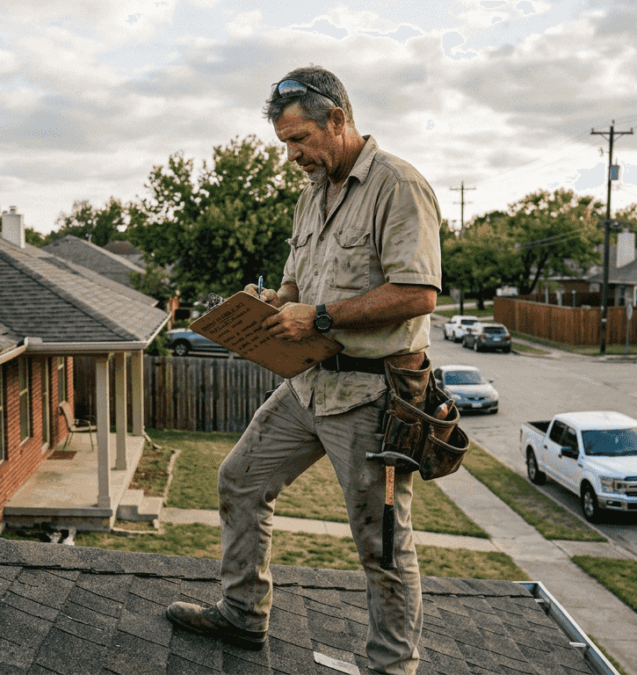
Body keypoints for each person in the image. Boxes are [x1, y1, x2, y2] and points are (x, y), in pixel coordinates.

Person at [165, 66, 442, 675]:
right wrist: (271, 300)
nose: (292, 156)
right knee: (240, 479)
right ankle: (242, 616)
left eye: (299, 141)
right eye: (284, 143)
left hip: (373, 395)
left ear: (338, 121)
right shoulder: (311, 193)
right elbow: (299, 282)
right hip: (309, 384)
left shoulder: (399, 186)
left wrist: (316, 317)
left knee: (382, 540)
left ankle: (392, 666)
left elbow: (418, 295)